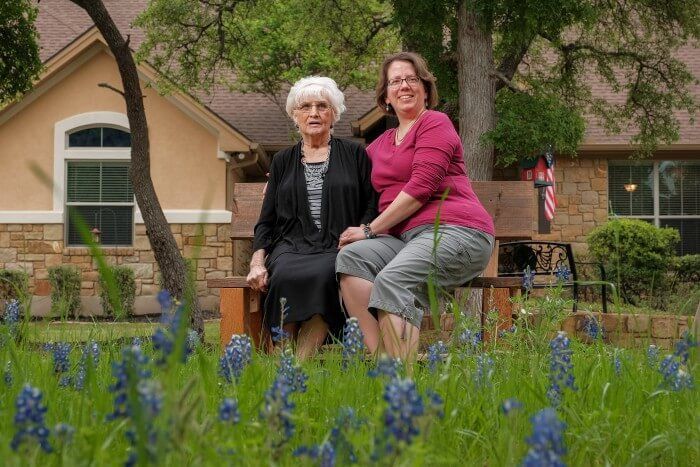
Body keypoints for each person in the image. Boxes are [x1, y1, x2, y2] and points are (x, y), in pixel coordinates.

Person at [336, 52, 495, 361]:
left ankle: (400, 380)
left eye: (412, 79)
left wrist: (370, 229)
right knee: (351, 259)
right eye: (396, 81)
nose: (404, 86)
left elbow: (421, 187)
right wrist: (287, 174)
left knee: (395, 280)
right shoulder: (380, 144)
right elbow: (342, 173)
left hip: (458, 232)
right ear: (385, 96)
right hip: (406, 240)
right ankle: (384, 362)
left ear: (425, 88)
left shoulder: (435, 123)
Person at [247, 76, 377, 359]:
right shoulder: (283, 160)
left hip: (339, 245)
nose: (314, 113)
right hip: (291, 246)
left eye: (322, 106)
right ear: (295, 115)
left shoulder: (355, 154)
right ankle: (282, 364)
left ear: (334, 114)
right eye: (305, 106)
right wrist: (257, 261)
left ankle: (296, 367)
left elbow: (371, 204)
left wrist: (361, 233)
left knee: (324, 276)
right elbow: (266, 219)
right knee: (283, 277)